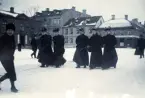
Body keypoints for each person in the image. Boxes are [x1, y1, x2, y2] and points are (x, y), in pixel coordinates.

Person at [0, 23, 18, 92]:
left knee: (11, 72)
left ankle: (12, 86)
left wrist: (12, 55)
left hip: (10, 58)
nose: (10, 31)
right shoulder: (2, 38)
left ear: (13, 31)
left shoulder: (12, 37)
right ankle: (12, 87)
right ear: (6, 30)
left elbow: (12, 48)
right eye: (9, 30)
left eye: (11, 30)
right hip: (4, 58)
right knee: (11, 72)